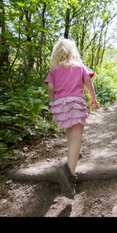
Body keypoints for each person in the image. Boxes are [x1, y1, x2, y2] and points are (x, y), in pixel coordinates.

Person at [44, 38, 100, 199]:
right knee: (77, 135)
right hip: (75, 102)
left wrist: (53, 103)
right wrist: (93, 99)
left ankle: (74, 155)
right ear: (73, 52)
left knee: (71, 132)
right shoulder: (79, 67)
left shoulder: (54, 70)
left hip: (60, 104)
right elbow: (88, 81)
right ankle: (69, 174)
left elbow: (51, 88)